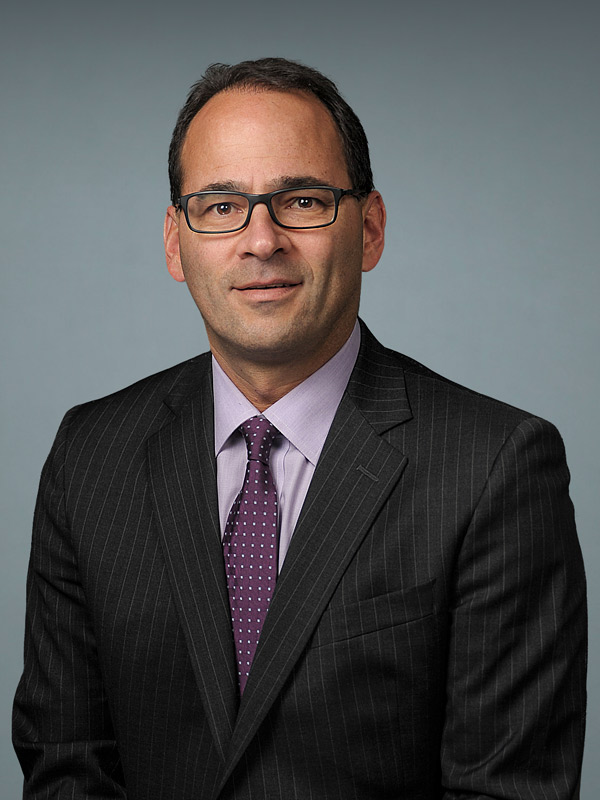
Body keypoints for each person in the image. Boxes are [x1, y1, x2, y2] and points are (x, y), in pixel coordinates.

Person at [13, 57, 586, 800]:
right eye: (222, 205)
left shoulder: (494, 467)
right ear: (175, 241)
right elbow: (67, 768)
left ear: (370, 229)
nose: (261, 240)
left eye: (303, 201)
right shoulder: (90, 457)